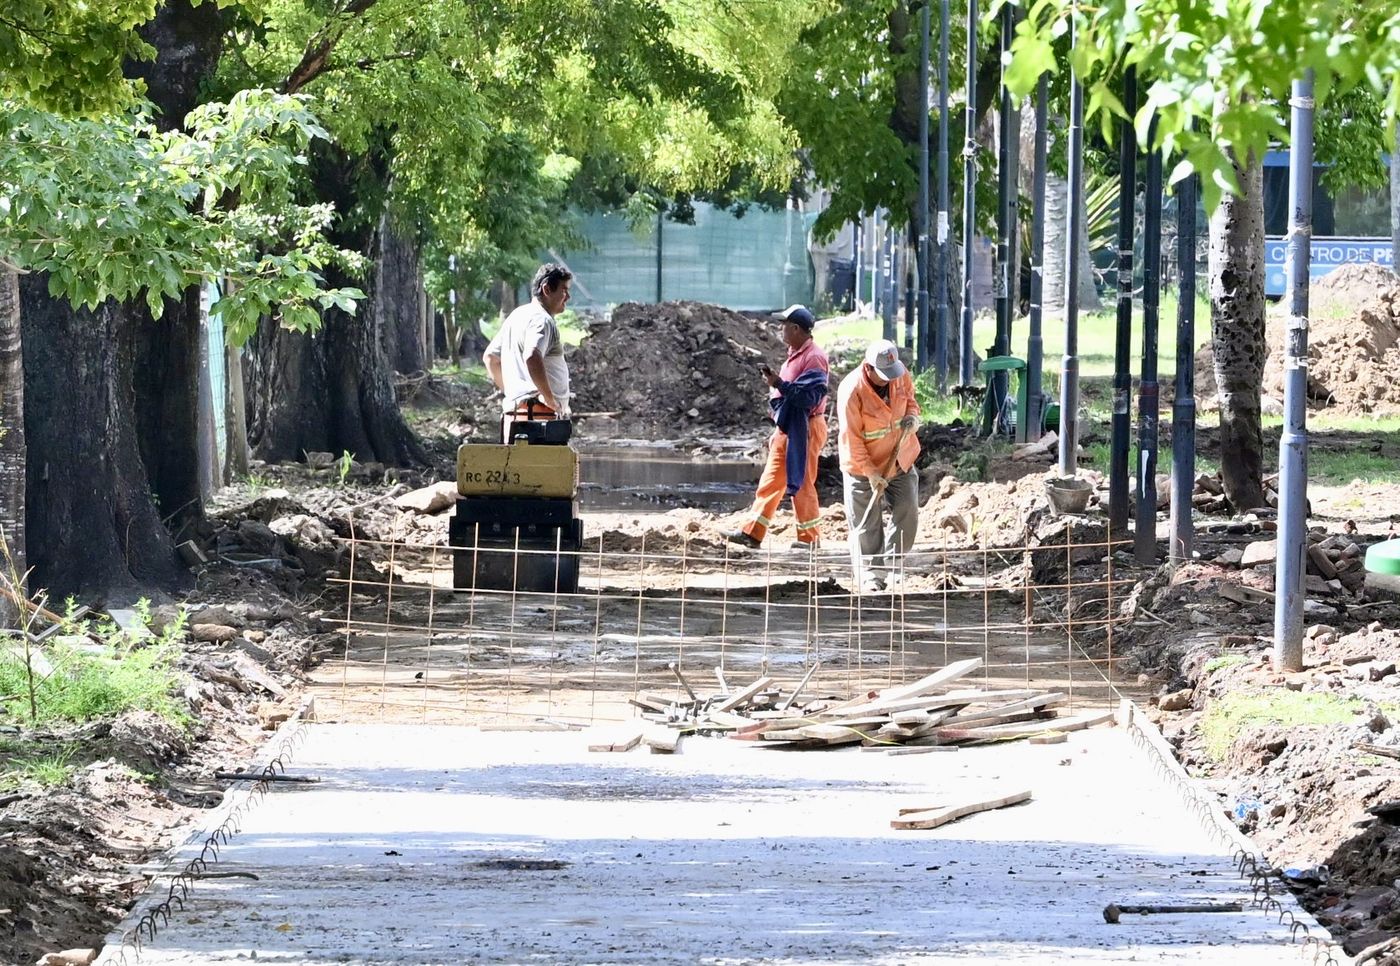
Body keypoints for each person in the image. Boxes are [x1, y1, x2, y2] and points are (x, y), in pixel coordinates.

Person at [725, 305, 830, 550]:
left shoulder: (814, 357)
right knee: (771, 480)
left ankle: (810, 538)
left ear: (795, 328)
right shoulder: (795, 353)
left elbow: (808, 398)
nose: (780, 329)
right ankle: (752, 532)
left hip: (806, 428)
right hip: (788, 428)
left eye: (784, 324)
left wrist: (778, 383)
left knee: (802, 482)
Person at [837, 339, 921, 593]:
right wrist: (871, 473)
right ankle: (872, 574)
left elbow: (910, 400)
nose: (888, 380)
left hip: (899, 457)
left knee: (907, 508)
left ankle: (894, 566)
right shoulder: (852, 391)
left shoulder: (899, 373)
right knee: (866, 523)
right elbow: (852, 439)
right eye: (882, 375)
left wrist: (913, 417)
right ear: (868, 368)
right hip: (862, 465)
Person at [484, 263, 573, 441]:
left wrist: (515, 395)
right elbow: (532, 355)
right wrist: (549, 399)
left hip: (514, 415)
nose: (568, 296)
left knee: (515, 468)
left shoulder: (517, 316)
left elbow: (490, 358)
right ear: (547, 289)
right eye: (564, 290)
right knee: (542, 469)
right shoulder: (543, 320)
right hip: (540, 420)